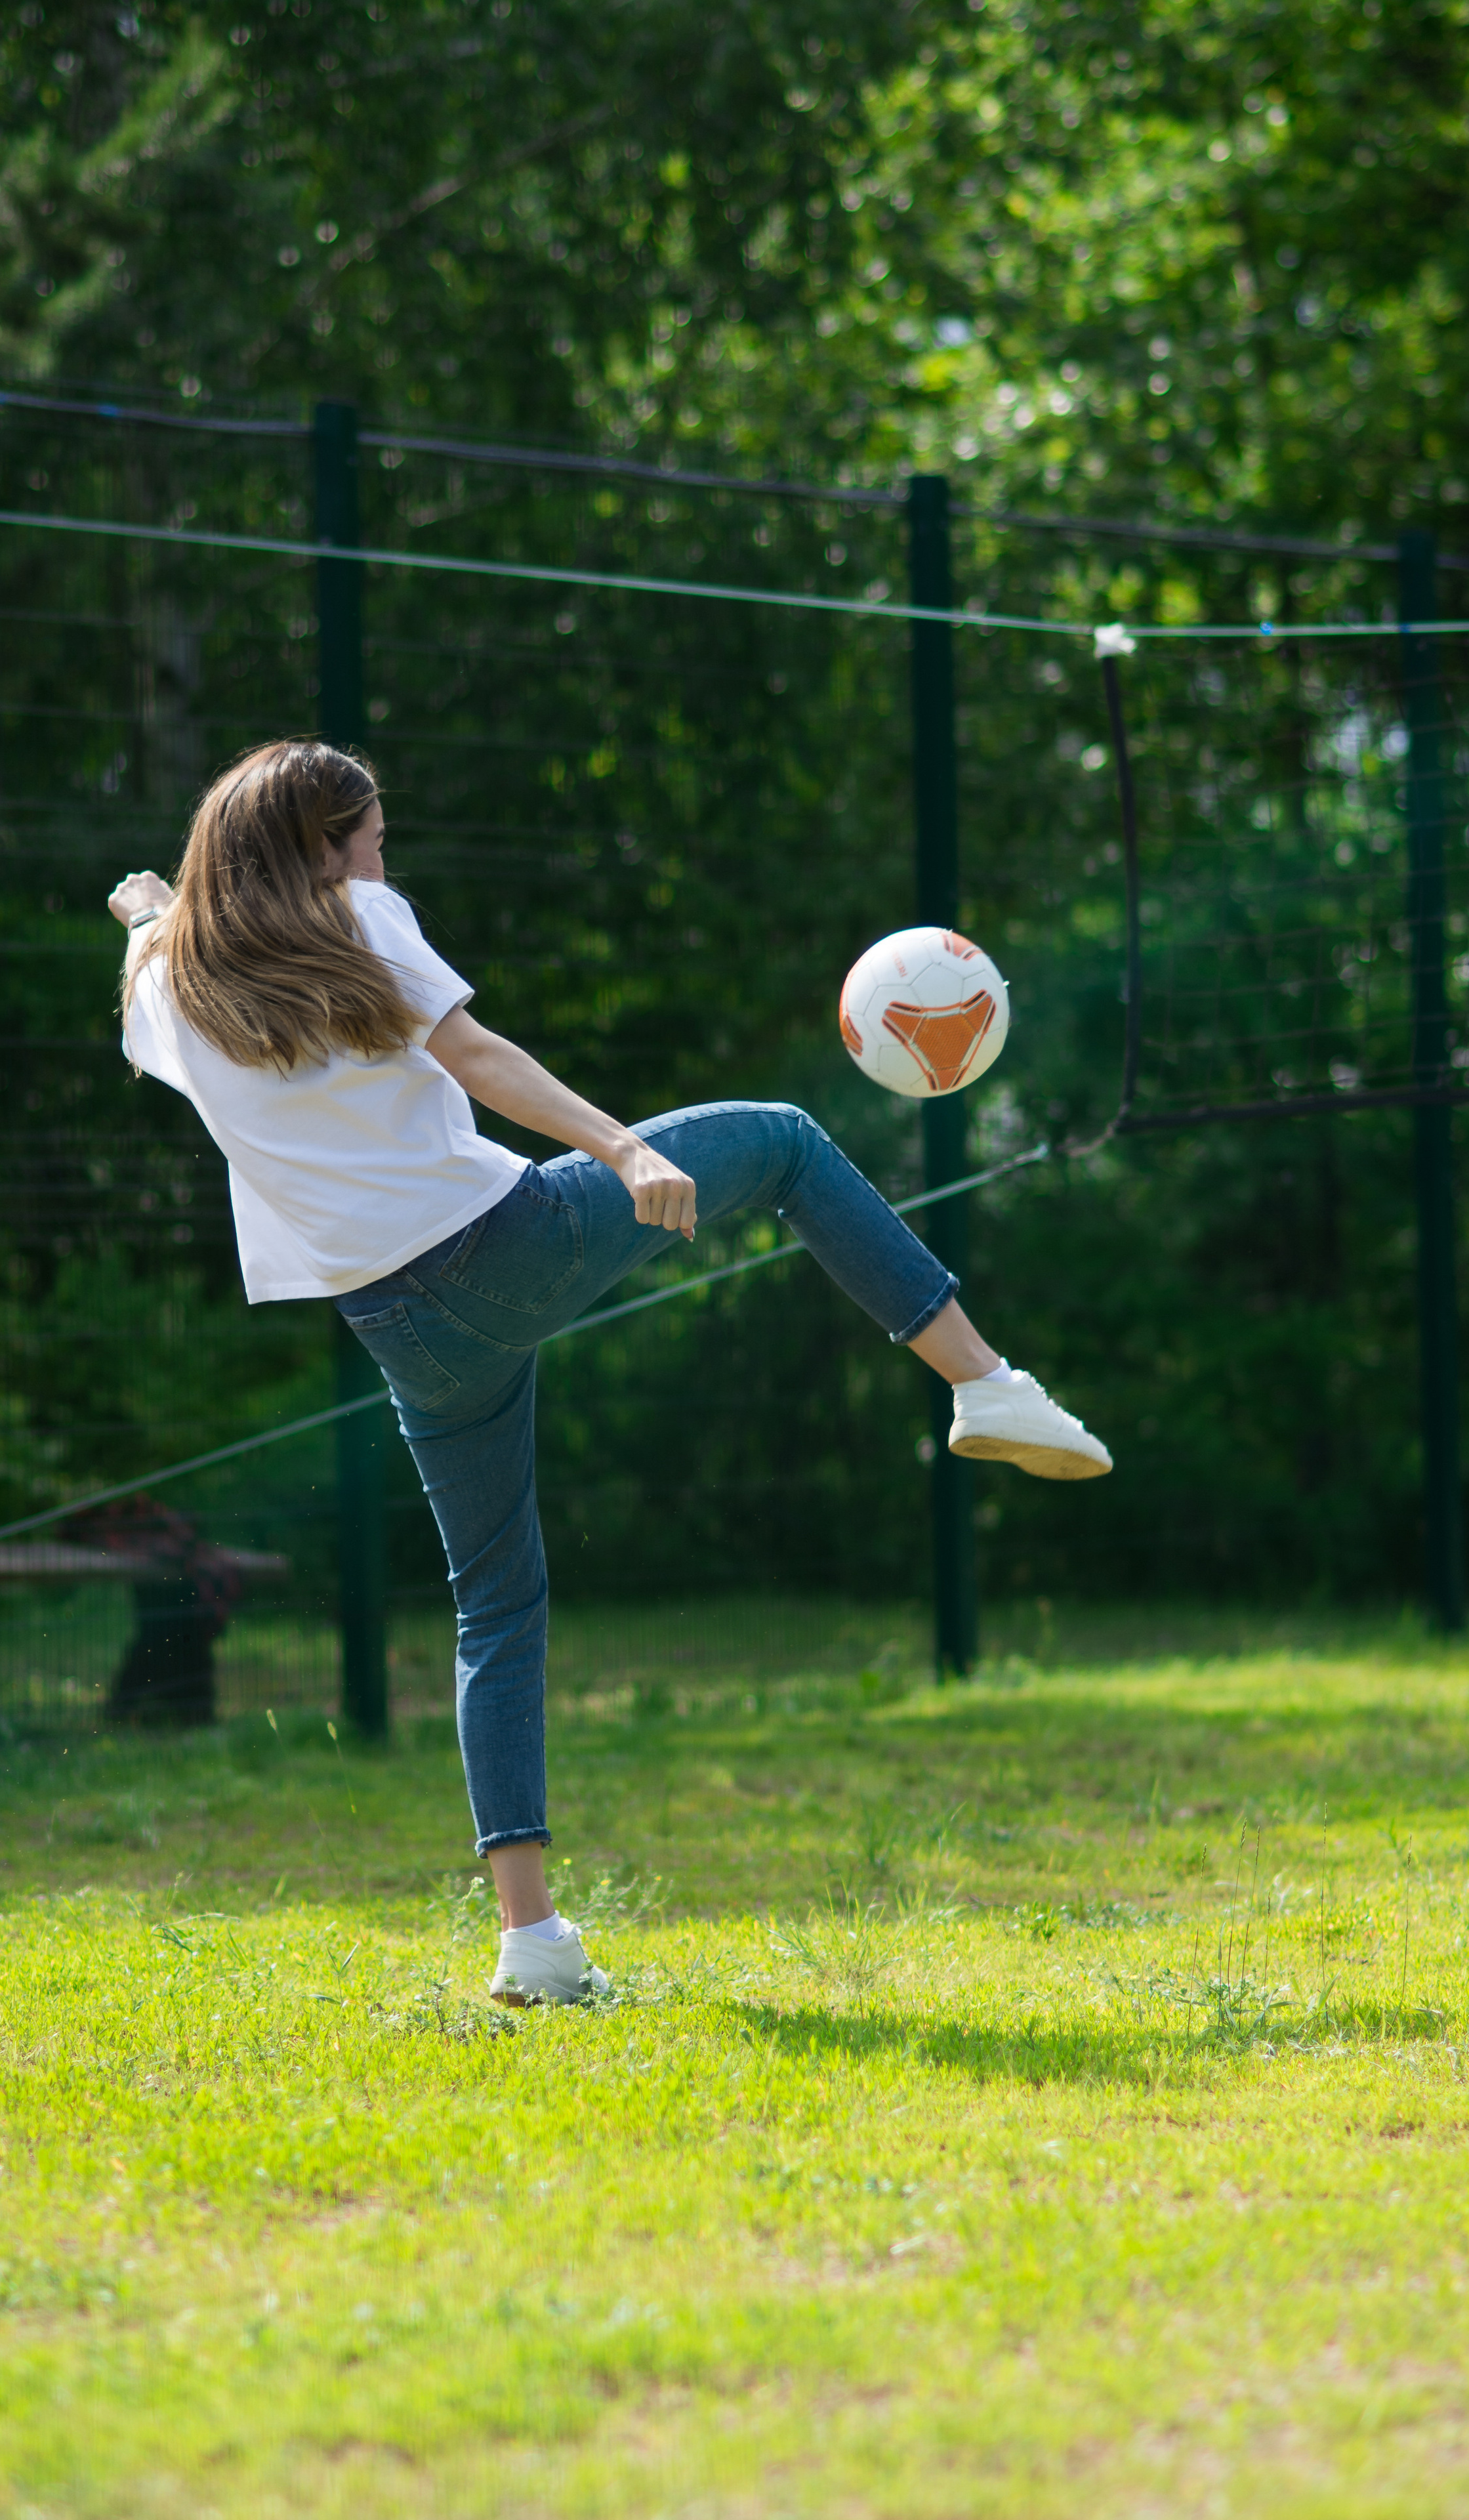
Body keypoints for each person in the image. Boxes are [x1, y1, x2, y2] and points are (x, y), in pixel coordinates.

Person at [110, 738, 1111, 2006]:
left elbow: (168, 940)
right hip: (498, 1250)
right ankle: (983, 1381)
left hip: (391, 1324)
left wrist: (151, 915)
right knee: (788, 1143)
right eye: (372, 842)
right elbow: (478, 1057)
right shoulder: (357, 919)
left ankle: (531, 1942)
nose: (381, 865)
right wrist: (624, 1149)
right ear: (322, 851)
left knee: (495, 1606)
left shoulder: (169, 983)